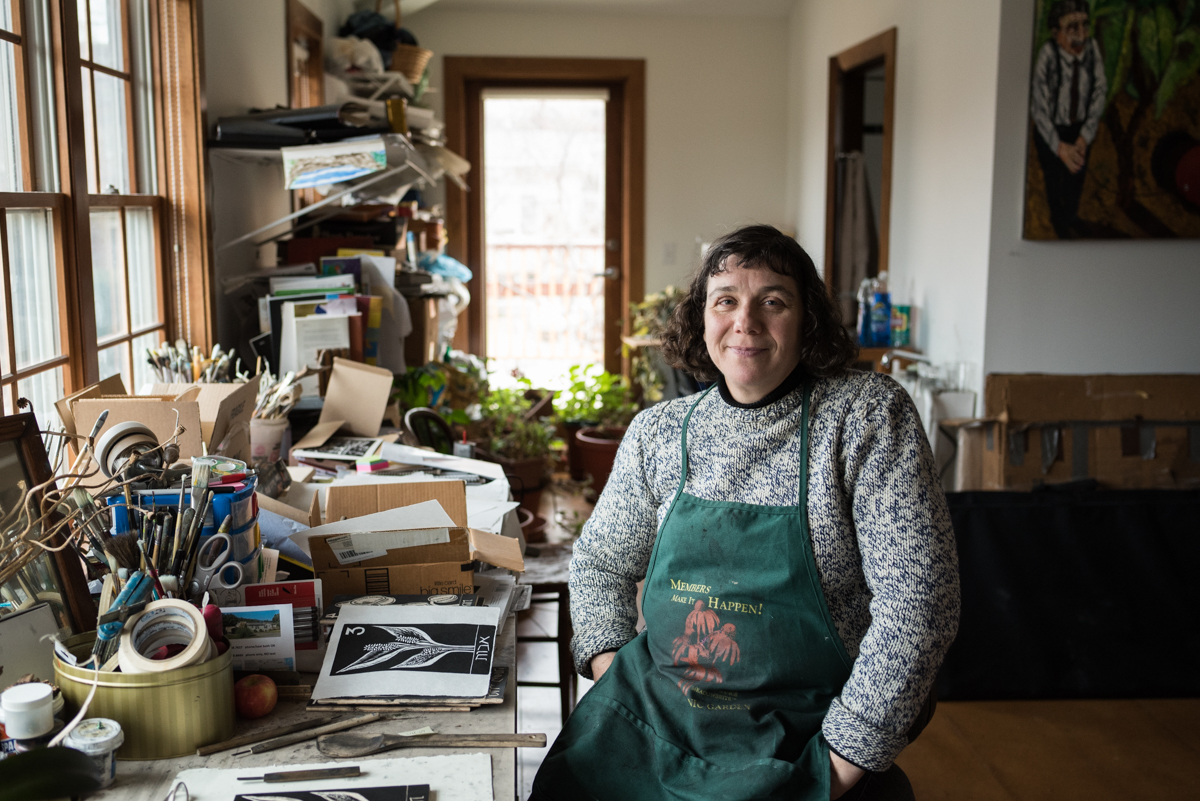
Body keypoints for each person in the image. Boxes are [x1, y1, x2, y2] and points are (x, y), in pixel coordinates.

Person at [531, 225, 960, 801]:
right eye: (726, 299)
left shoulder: (866, 417)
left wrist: (842, 762)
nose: (746, 321)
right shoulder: (659, 433)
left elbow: (920, 606)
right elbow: (601, 563)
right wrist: (615, 676)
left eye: (773, 301)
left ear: (806, 321)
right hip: (658, 721)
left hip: (806, 739)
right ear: (701, 318)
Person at [1029, 0, 1108, 238]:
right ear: (1056, 33)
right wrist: (1058, 147)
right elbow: (1039, 107)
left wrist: (1086, 135)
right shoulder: (1048, 55)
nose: (1081, 34)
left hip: (1079, 130)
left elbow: (1099, 90)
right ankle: (1058, 223)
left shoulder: (1092, 49)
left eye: (1085, 25)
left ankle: (1071, 217)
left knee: (1077, 178)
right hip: (1050, 132)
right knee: (1054, 180)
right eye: (1073, 28)